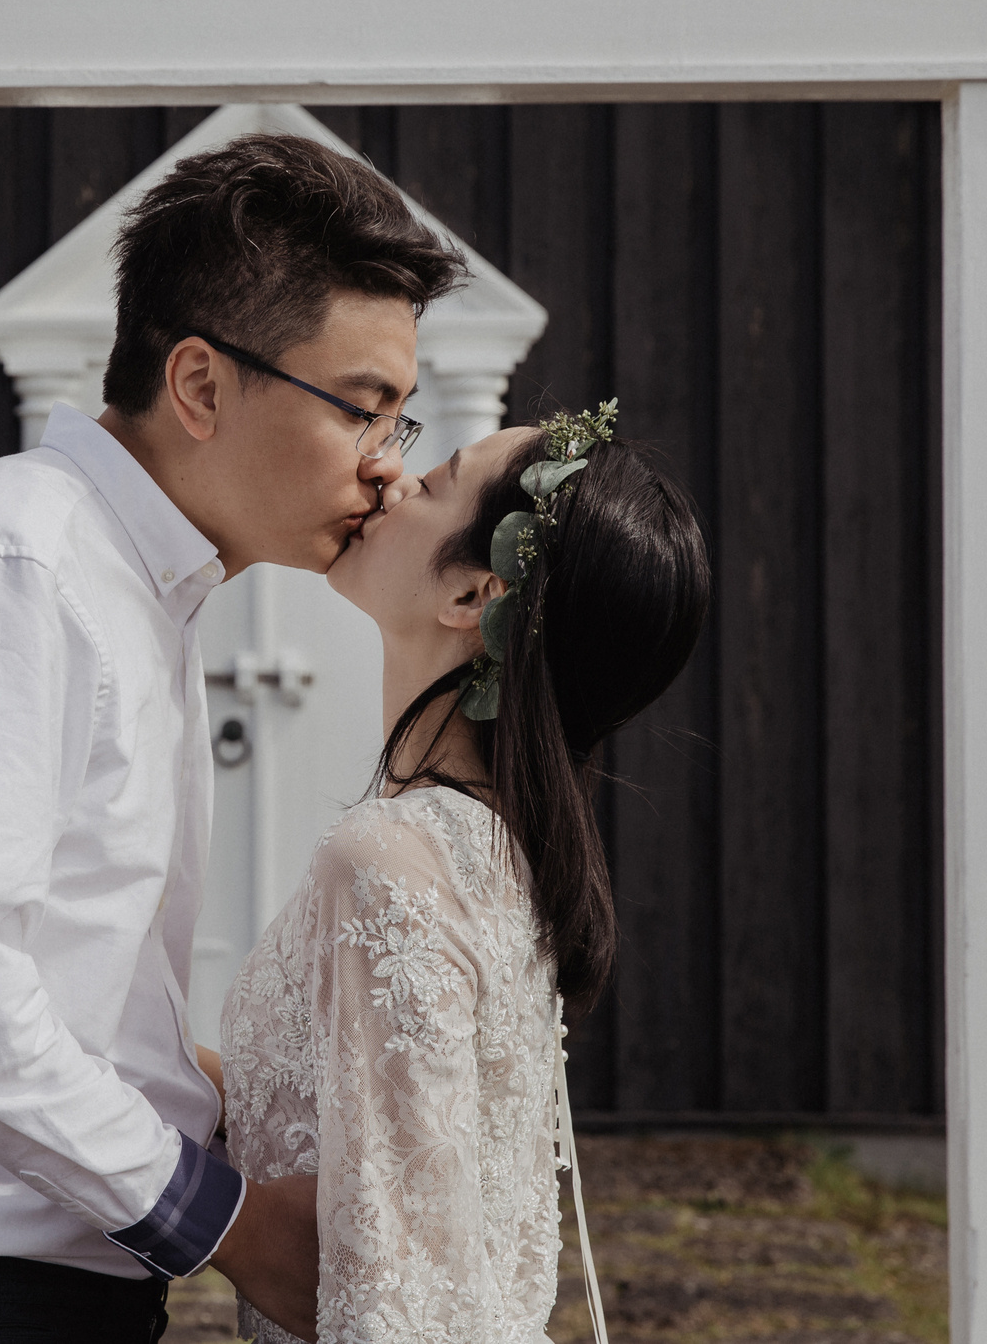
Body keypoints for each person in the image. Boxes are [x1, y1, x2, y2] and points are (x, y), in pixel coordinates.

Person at [0, 133, 467, 1344]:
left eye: (400, 418)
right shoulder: (11, 565)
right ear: (201, 385)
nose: (388, 471)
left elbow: (78, 994)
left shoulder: (136, 589)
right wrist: (229, 1224)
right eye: (364, 410)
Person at [218, 404, 709, 1342]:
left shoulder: (392, 862)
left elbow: (402, 1299)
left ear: (474, 596)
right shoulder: (494, 854)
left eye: (435, 479)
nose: (391, 480)